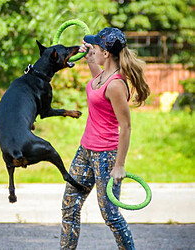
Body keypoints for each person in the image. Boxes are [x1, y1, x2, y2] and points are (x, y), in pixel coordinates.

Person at [60, 27, 150, 250]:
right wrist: (90, 59)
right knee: (69, 207)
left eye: (96, 47)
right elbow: (97, 89)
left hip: (106, 155)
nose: (92, 49)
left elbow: (126, 127)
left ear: (107, 53)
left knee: (110, 215)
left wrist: (119, 165)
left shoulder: (116, 84)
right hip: (85, 150)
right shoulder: (102, 76)